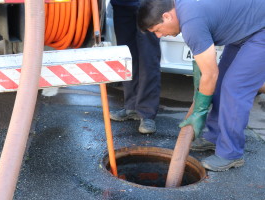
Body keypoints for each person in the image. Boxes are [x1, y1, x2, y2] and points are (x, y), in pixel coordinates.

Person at [137, 0, 265, 171]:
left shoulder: (191, 23)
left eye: (157, 30)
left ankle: (231, 153)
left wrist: (200, 111)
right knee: (220, 84)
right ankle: (214, 136)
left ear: (167, 16)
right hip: (245, 29)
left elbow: (210, 74)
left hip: (260, 31)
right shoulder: (184, 10)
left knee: (234, 88)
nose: (159, 36)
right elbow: (205, 67)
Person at [109, 0, 161, 134]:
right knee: (127, 55)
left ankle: (147, 113)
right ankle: (131, 106)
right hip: (122, 4)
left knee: (148, 58)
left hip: (150, 5)